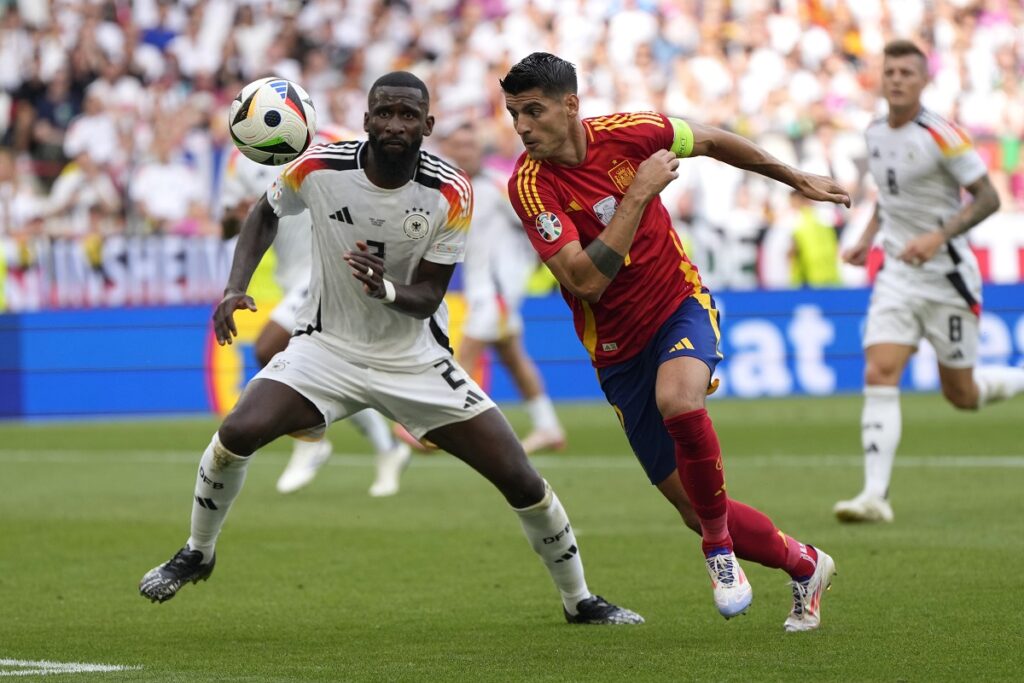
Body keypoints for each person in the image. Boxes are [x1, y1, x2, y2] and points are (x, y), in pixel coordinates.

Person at [139, 71, 642, 626]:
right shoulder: (317, 167)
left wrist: (384, 288)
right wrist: (235, 286)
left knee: (519, 477)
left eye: (408, 115)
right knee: (236, 433)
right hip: (325, 349)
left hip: (415, 360)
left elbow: (428, 297)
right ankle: (197, 552)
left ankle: (580, 601)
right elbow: (264, 212)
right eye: (384, 113)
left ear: (427, 125)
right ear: (366, 120)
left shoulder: (451, 191)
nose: (394, 124)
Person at [499, 52, 848, 631]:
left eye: (533, 111)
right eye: (514, 114)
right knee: (692, 504)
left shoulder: (633, 131)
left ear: (571, 106)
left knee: (680, 400)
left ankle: (718, 550)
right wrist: (638, 194)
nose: (522, 126)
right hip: (615, 350)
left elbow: (712, 141)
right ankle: (806, 564)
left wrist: (796, 178)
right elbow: (585, 281)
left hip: (679, 305)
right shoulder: (530, 188)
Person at [833, 40, 1024, 523]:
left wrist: (938, 236)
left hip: (948, 277)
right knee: (879, 370)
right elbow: (889, 196)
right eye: (890, 70)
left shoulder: (943, 135)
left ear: (923, 81)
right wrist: (868, 239)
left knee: (960, 395)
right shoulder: (875, 132)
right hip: (898, 271)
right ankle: (874, 495)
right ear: (881, 78)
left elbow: (987, 198)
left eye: (906, 72)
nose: (896, 78)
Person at [220, 124, 411, 497]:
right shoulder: (238, 158)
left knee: (267, 348)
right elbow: (227, 227)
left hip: (333, 265)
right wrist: (237, 214)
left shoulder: (337, 139)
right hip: (292, 277)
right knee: (337, 372)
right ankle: (388, 449)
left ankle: (311, 439)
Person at [439, 120, 566, 454]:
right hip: (481, 287)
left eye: (472, 145)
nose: (467, 151)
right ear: (448, 150)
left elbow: (537, 223)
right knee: (512, 357)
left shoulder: (500, 185)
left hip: (498, 289)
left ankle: (443, 426)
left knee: (465, 353)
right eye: (460, 145)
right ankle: (548, 427)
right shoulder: (455, 189)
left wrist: (534, 264)